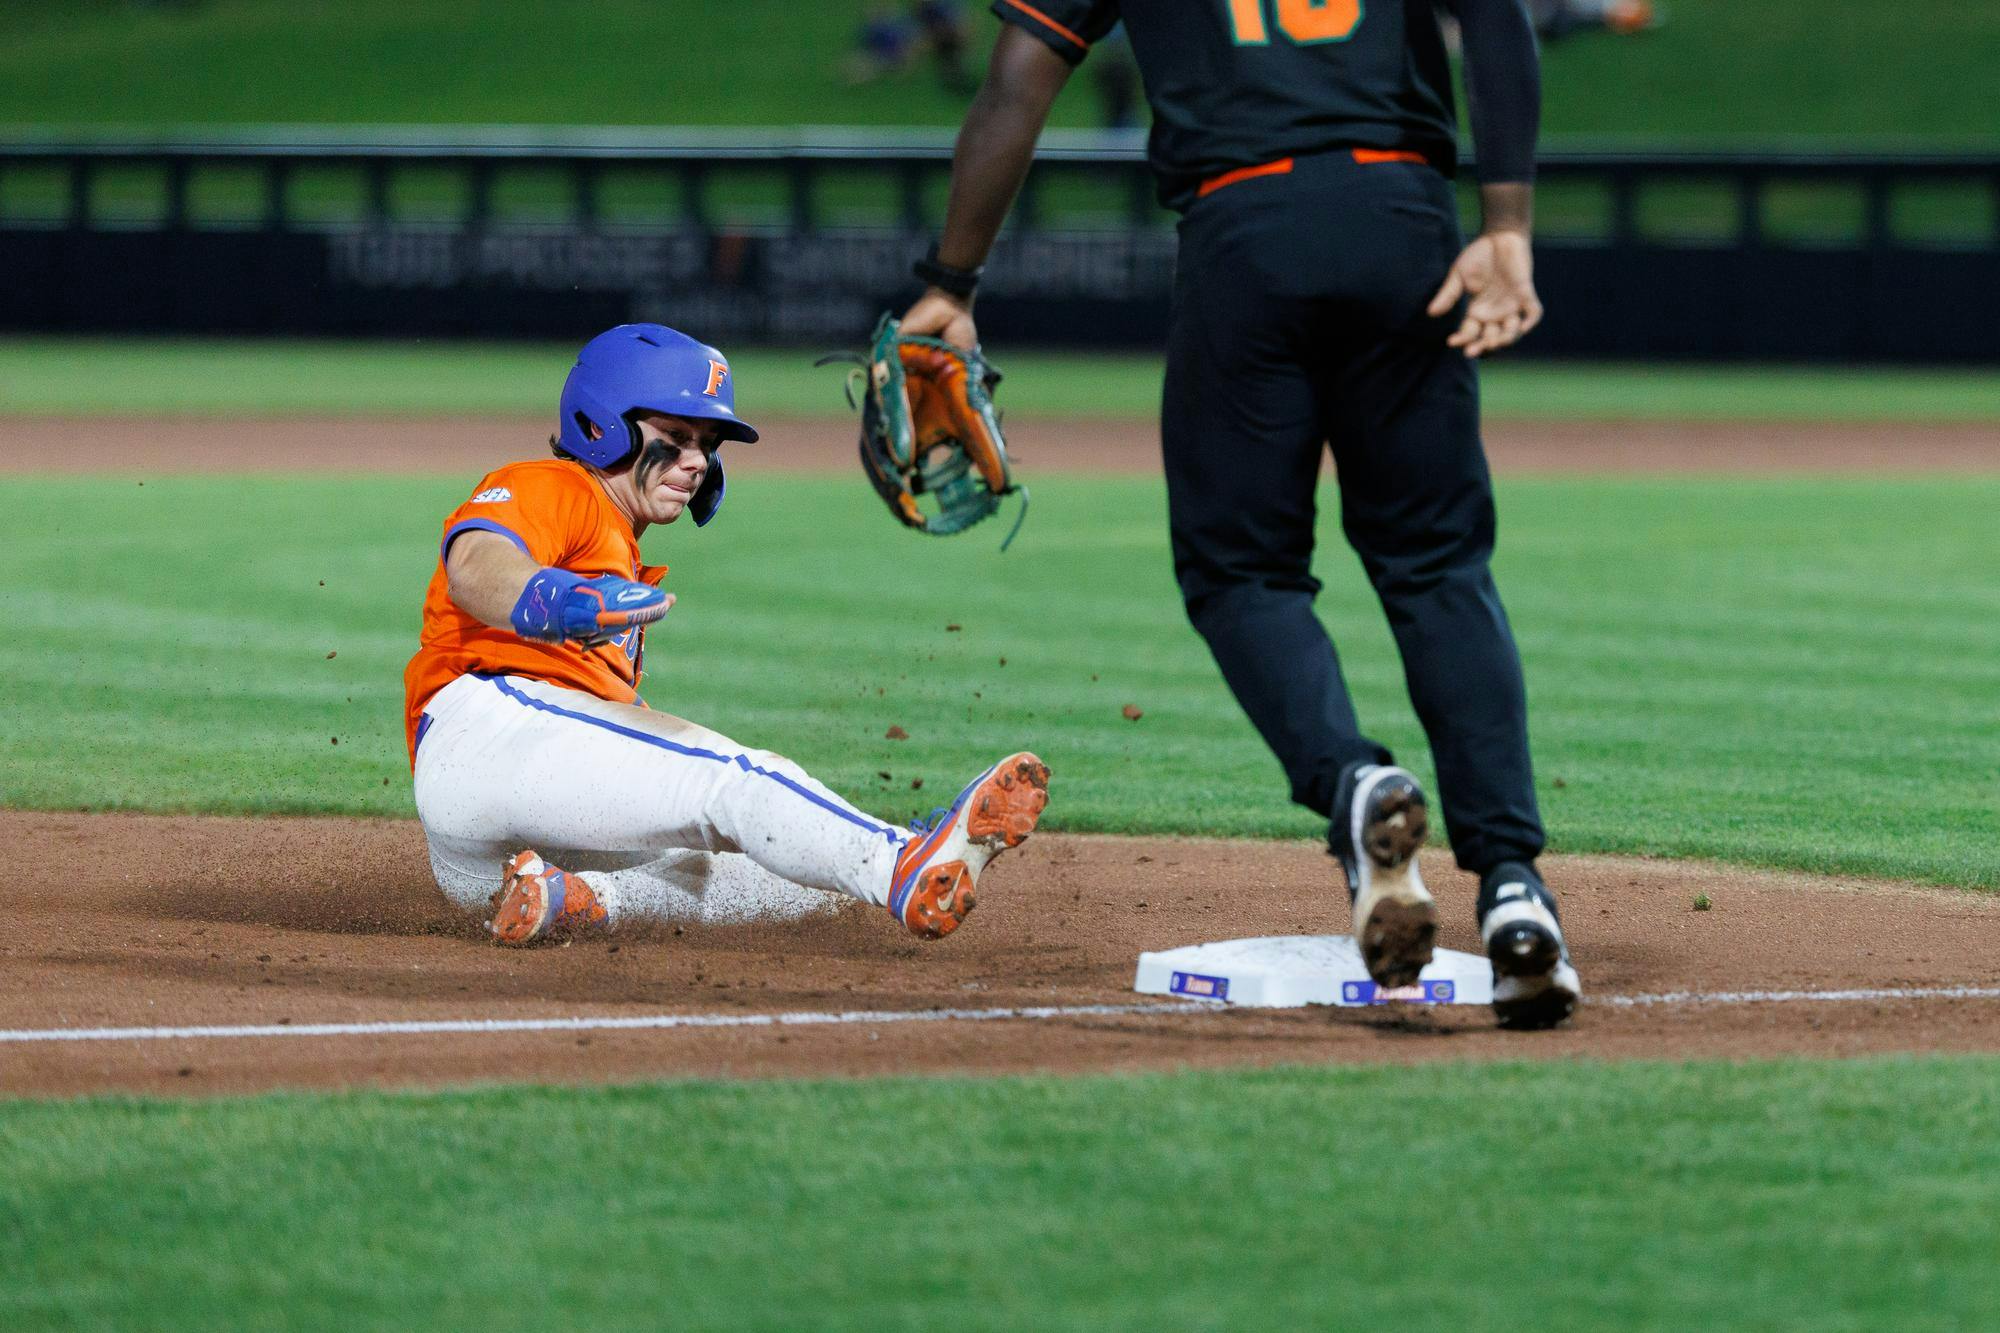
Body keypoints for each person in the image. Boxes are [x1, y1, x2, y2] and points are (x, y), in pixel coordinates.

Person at [900, 0, 1579, 1028]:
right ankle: (1515, 888)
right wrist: (1507, 226)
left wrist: (949, 280)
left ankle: (1350, 784)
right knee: (1435, 562)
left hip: (1242, 229)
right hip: (1398, 217)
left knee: (1240, 572)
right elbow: (1494, 23)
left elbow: (1017, 79)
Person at [403, 323, 1048, 944]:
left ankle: (577, 901)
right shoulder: (556, 486)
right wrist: (559, 597)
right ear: (601, 424)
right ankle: (903, 865)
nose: (695, 462)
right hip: (488, 731)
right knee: (735, 781)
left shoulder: (619, 541)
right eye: (676, 436)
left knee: (776, 883)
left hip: (489, 850)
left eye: (707, 443)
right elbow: (476, 565)